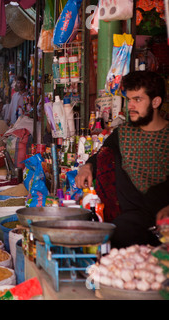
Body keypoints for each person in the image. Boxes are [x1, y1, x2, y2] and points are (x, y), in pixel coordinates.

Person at [75, 70, 169, 249]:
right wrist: (87, 167)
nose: (131, 106)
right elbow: (102, 154)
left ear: (156, 102)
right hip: (129, 221)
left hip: (161, 222)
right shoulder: (123, 133)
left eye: (138, 100)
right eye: (129, 99)